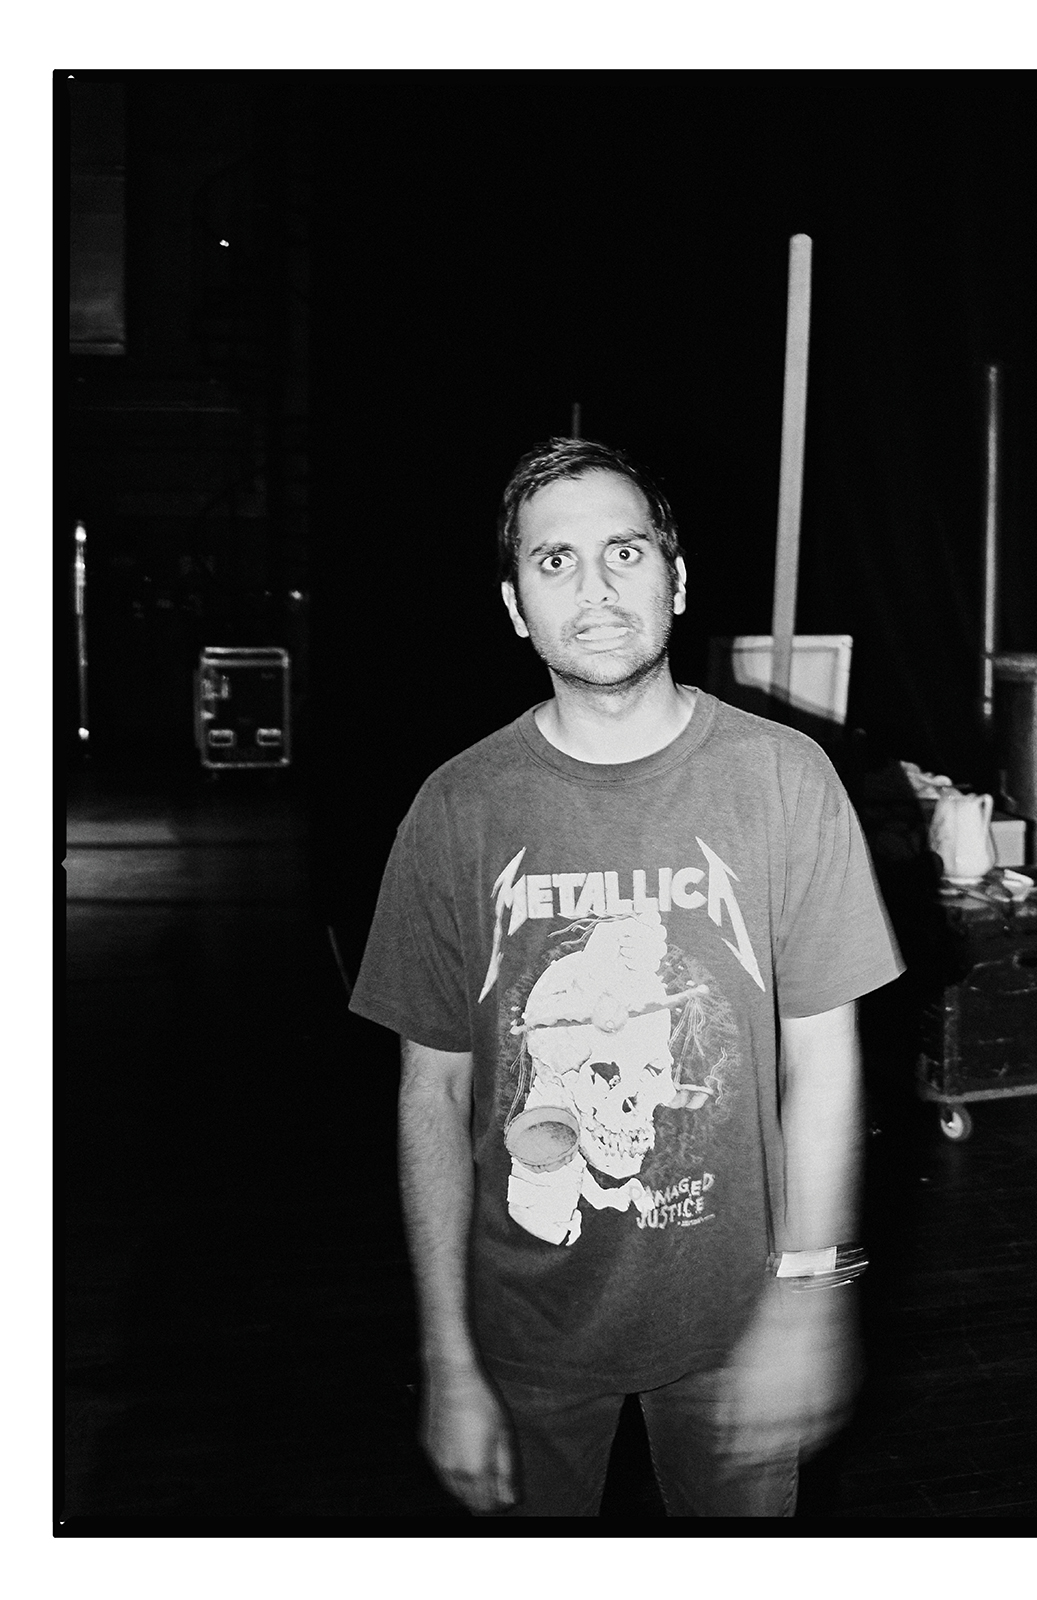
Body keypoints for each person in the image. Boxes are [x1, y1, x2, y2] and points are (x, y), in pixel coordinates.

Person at [349, 437, 903, 1517]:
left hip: (741, 1330)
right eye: (554, 561)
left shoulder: (784, 779)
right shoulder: (456, 809)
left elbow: (826, 1064)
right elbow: (433, 1093)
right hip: (522, 1338)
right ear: (514, 606)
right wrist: (449, 1357)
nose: (595, 587)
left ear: (676, 579)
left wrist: (809, 1299)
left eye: (626, 551)